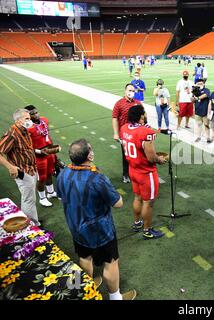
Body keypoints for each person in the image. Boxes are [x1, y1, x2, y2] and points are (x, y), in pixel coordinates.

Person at [56, 139, 136, 300]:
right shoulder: (97, 178)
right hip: (100, 231)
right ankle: (115, 298)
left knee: (84, 257)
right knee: (111, 262)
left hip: (75, 227)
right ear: (89, 156)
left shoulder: (62, 173)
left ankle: (87, 288)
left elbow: (60, 197)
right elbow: (118, 203)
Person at [120, 105, 167, 239]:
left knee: (137, 197)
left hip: (132, 169)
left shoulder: (124, 128)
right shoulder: (146, 132)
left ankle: (137, 223)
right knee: (148, 202)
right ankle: (147, 230)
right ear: (141, 116)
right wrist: (160, 159)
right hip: (146, 172)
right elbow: (151, 157)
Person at [0, 109, 39, 225]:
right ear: (18, 121)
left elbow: (26, 148)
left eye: (30, 118)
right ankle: (32, 225)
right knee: (28, 200)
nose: (30, 121)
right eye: (27, 118)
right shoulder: (12, 134)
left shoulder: (24, 130)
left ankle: (30, 220)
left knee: (29, 198)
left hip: (31, 169)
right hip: (23, 171)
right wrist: (10, 167)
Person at [24, 105, 60, 207]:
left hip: (48, 151)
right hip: (38, 155)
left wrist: (53, 151)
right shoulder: (27, 128)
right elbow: (27, 147)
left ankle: (51, 192)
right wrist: (40, 152)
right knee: (42, 178)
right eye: (32, 114)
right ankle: (42, 198)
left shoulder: (44, 120)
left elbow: (47, 135)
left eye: (36, 112)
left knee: (50, 173)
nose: (36, 115)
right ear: (28, 116)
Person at [112, 83, 142, 183]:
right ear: (125, 91)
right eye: (129, 90)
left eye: (133, 91)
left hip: (137, 135)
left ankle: (136, 173)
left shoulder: (138, 103)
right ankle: (126, 174)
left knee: (138, 155)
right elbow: (115, 118)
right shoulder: (119, 103)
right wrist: (116, 133)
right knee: (126, 156)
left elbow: (143, 117)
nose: (131, 92)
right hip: (125, 135)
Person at [192, 78, 211, 143]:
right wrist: (191, 96)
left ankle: (208, 137)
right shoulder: (195, 90)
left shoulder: (206, 90)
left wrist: (197, 97)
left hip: (205, 111)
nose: (200, 84)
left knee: (206, 125)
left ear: (204, 84)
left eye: (201, 83)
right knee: (198, 125)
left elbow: (205, 95)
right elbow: (193, 101)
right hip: (198, 111)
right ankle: (198, 137)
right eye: (198, 83)